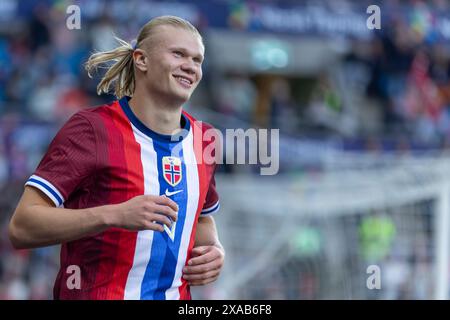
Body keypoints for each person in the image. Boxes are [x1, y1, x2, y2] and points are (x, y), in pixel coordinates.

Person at [8, 15, 224, 300]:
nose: (190, 66)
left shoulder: (204, 139)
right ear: (141, 59)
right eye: (178, 54)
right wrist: (114, 214)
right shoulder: (92, 129)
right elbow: (22, 227)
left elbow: (202, 221)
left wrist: (214, 252)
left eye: (197, 60)